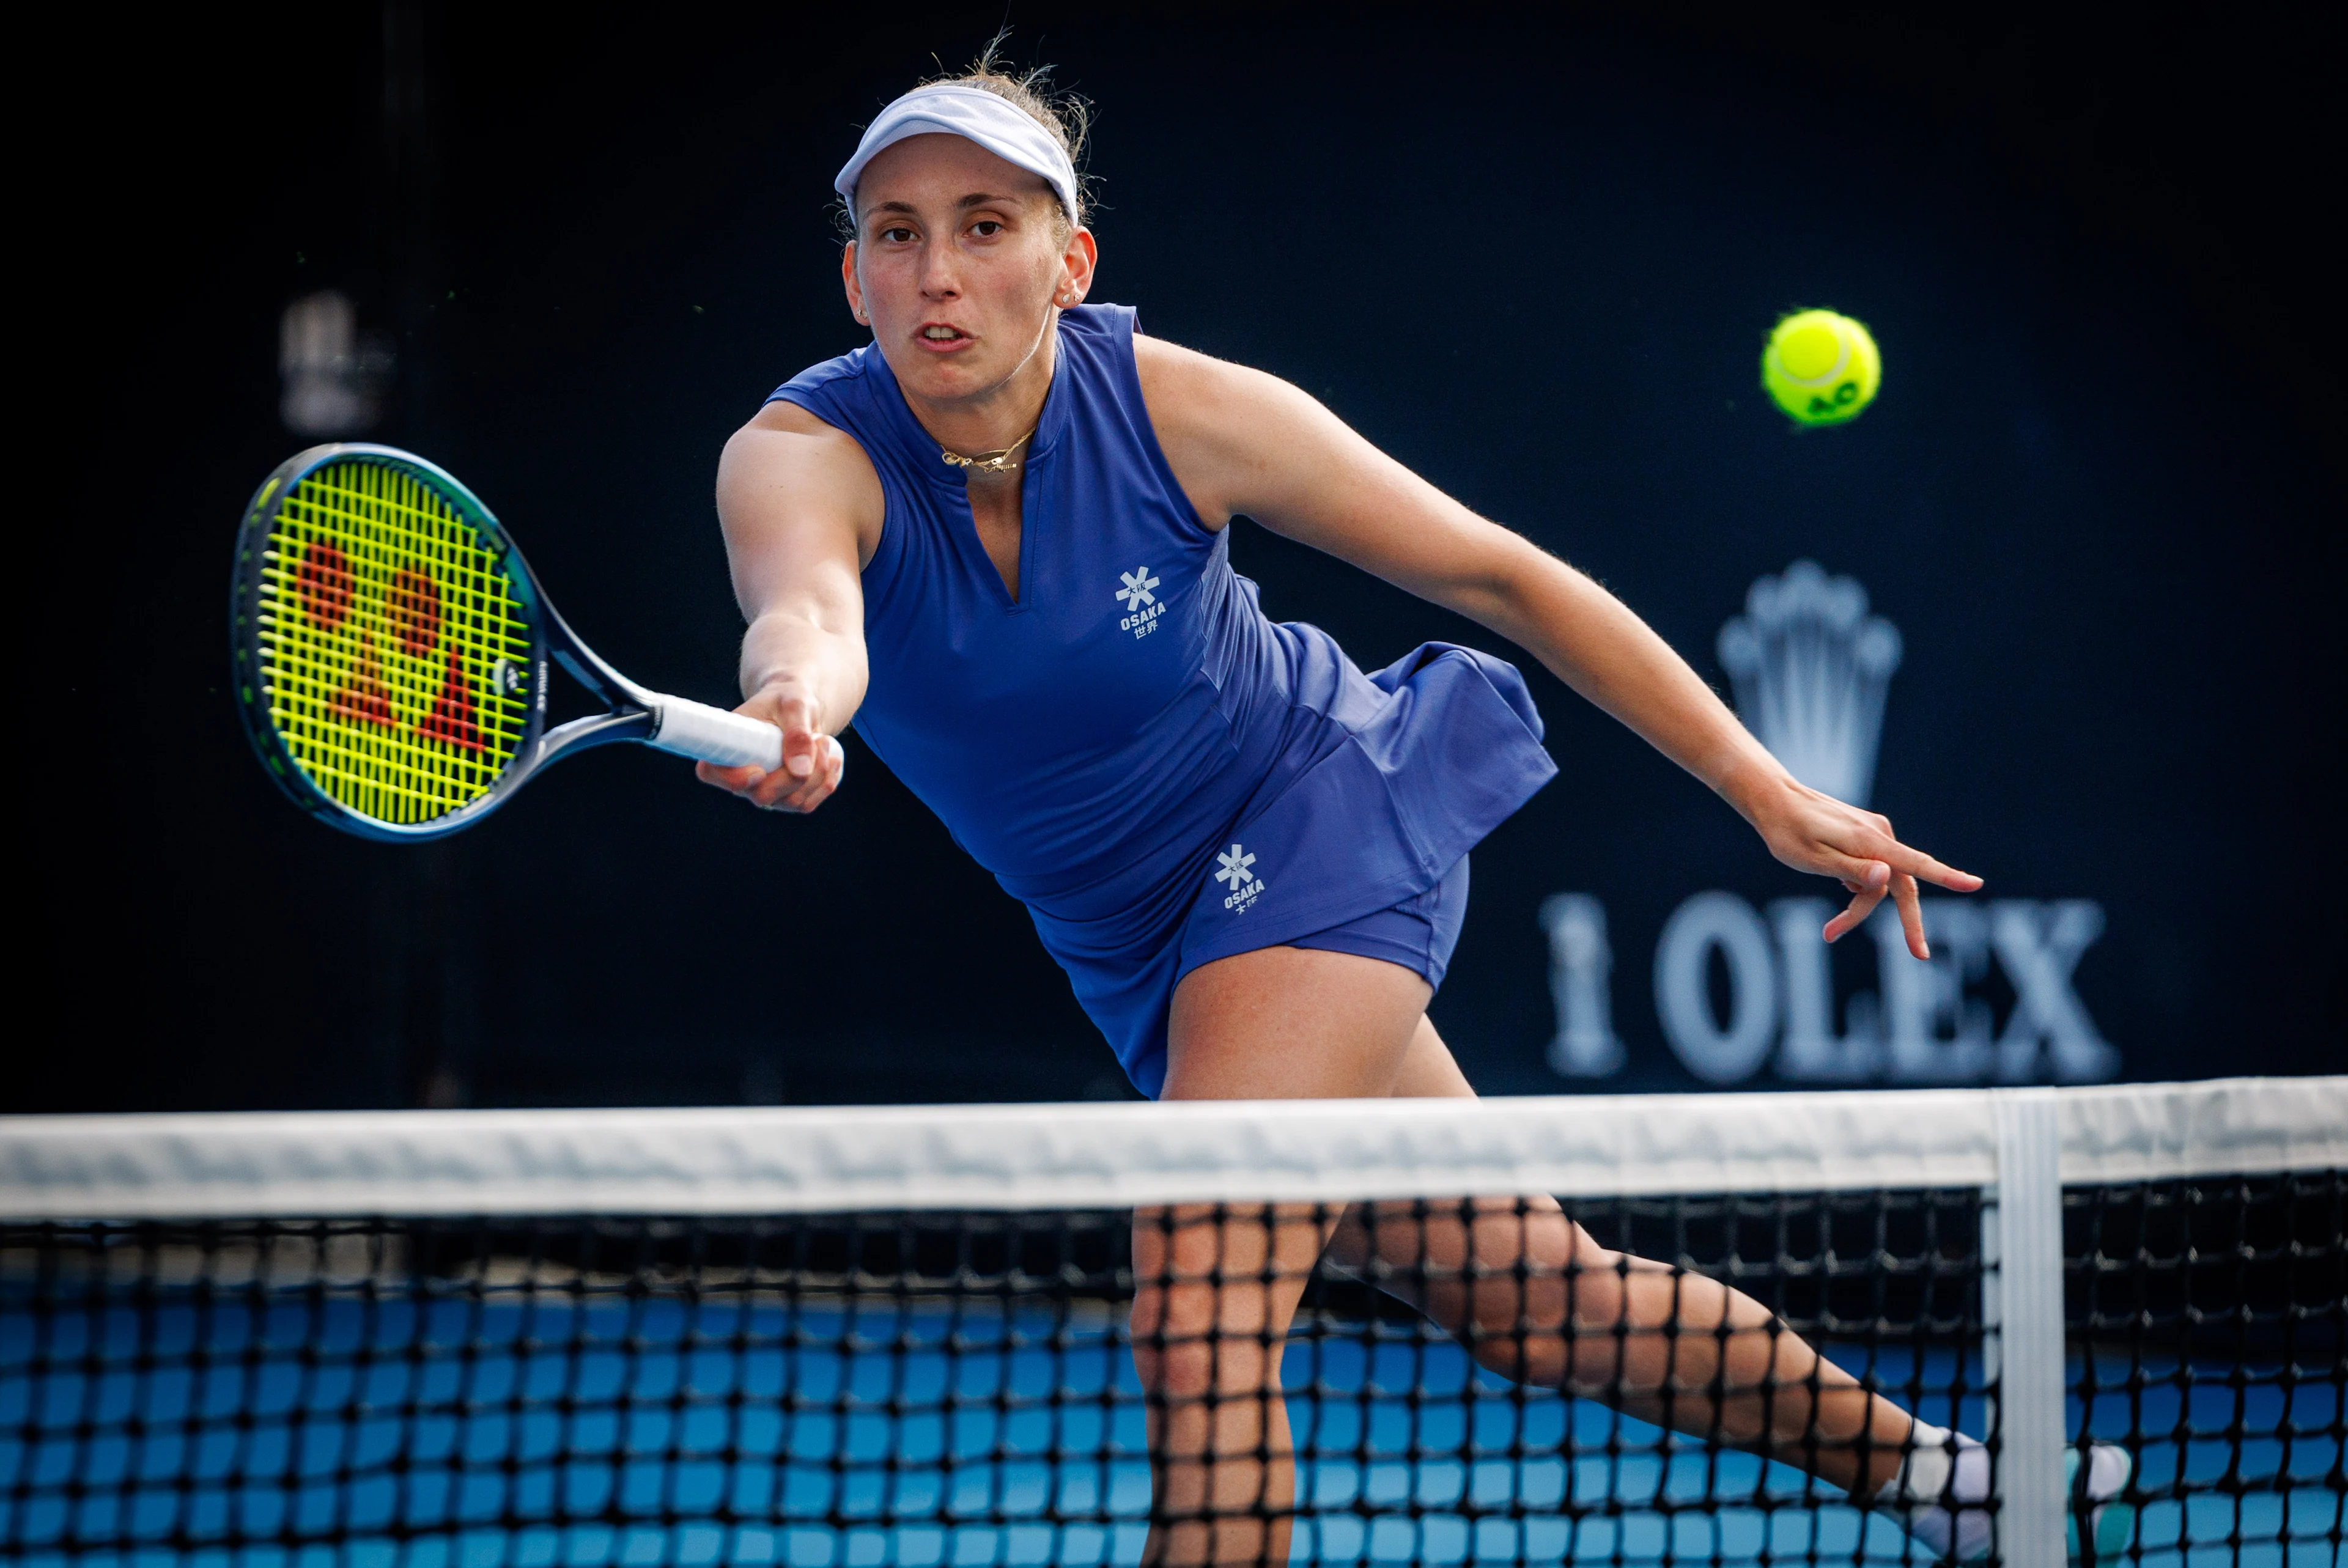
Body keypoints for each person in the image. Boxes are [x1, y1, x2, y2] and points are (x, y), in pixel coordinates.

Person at [697, 53, 2129, 1568]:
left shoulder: (1185, 410)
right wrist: (795, 698)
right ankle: (1963, 1488)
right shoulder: (797, 454)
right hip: (1136, 944)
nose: (939, 270)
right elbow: (809, 614)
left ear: (1071, 259)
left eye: (987, 224)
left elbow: (1499, 575)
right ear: (852, 275)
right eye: (898, 231)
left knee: (1198, 1307)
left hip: (1316, 813)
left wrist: (1764, 789)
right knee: (1540, 1303)